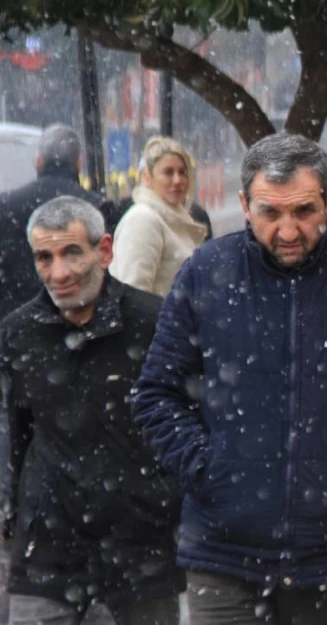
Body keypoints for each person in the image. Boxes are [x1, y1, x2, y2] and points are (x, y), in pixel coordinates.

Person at [130, 133, 327, 625]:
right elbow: (156, 393)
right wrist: (204, 467)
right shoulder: (206, 274)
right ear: (243, 205)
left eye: (304, 211)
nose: (288, 230)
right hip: (222, 550)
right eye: (270, 213)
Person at [0, 196, 183, 625]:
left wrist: (171, 503)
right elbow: (14, 433)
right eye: (44, 258)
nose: (58, 273)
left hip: (142, 550)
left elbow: (185, 426)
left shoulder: (155, 324)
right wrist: (13, 512)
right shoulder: (17, 336)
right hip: (45, 552)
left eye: (71, 253)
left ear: (104, 250)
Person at [0, 124, 121, 320]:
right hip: (81, 317)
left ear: (38, 161)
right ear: (78, 163)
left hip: (14, 316)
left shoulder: (6, 205)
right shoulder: (98, 207)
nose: (58, 274)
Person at [110, 136, 208, 297]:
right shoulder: (143, 219)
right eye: (168, 172)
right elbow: (134, 294)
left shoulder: (175, 218)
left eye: (182, 172)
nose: (177, 180)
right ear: (148, 177)